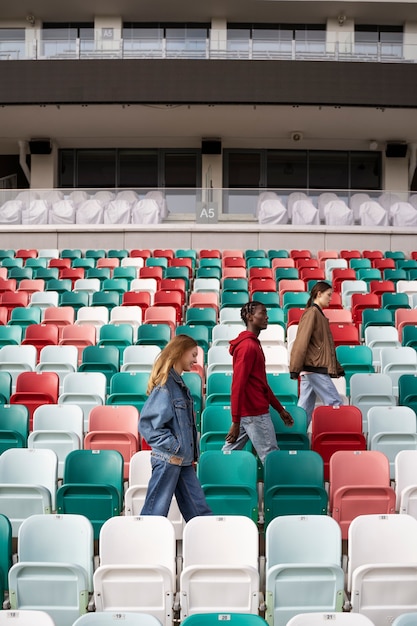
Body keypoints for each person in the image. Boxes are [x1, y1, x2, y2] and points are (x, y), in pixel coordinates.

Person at [139, 334, 212, 521]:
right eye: (193, 354)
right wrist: (175, 446)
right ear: (180, 352)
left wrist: (182, 451)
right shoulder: (165, 386)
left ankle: (210, 545)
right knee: (154, 514)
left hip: (183, 461)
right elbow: (148, 426)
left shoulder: (178, 384)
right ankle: (140, 547)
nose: (196, 360)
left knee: (199, 511)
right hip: (168, 460)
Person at [222, 300, 294, 464]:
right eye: (262, 313)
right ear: (249, 317)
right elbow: (238, 385)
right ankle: (279, 489)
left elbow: (260, 384)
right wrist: (235, 421)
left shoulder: (252, 344)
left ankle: (208, 479)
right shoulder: (248, 347)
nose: (267, 317)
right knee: (271, 458)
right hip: (254, 413)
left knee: (227, 453)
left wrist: (280, 410)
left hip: (248, 413)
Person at [289, 280, 344, 426]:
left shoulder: (317, 314)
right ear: (319, 294)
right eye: (328, 295)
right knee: (335, 403)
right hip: (314, 369)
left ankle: (296, 436)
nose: (331, 298)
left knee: (304, 409)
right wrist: (294, 368)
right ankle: (340, 433)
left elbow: (324, 347)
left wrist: (337, 368)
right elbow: (301, 342)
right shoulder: (312, 313)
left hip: (311, 368)